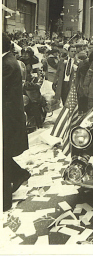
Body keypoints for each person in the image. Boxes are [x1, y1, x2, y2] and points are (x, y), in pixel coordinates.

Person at [2, 33, 30, 212]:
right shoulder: (8, 62)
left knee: (2, 160)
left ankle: (4, 201)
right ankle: (19, 174)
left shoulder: (8, 65)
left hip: (7, 120)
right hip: (7, 117)